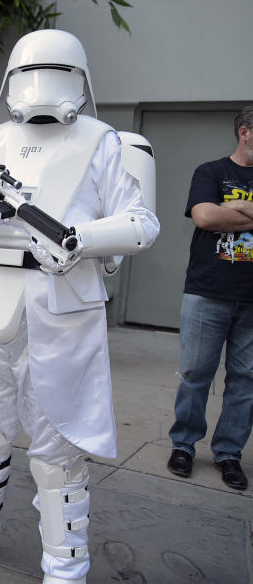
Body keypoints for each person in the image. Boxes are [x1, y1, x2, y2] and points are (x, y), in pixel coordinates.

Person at [0, 29, 159, 584]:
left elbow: (142, 224)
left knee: (57, 443)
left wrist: (78, 238)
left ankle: (64, 561)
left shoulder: (106, 142)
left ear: (79, 78)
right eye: (30, 72)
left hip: (60, 307)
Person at [166, 106, 253, 491]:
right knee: (195, 374)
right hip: (207, 290)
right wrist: (224, 211)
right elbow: (204, 217)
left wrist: (232, 208)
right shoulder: (211, 172)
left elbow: (219, 214)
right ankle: (184, 445)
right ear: (245, 132)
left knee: (246, 381)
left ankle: (229, 453)